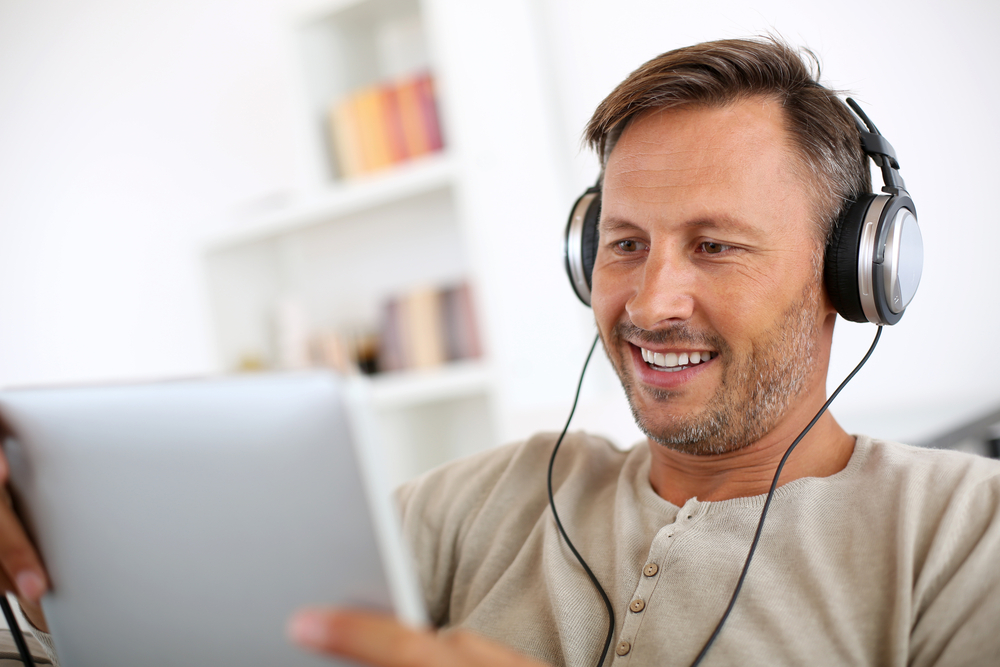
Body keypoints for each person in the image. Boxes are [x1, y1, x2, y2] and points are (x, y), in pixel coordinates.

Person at [5, 37, 1000, 667]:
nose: (650, 301)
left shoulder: (961, 537)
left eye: (715, 246)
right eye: (623, 243)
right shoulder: (483, 500)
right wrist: (51, 582)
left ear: (848, 273)